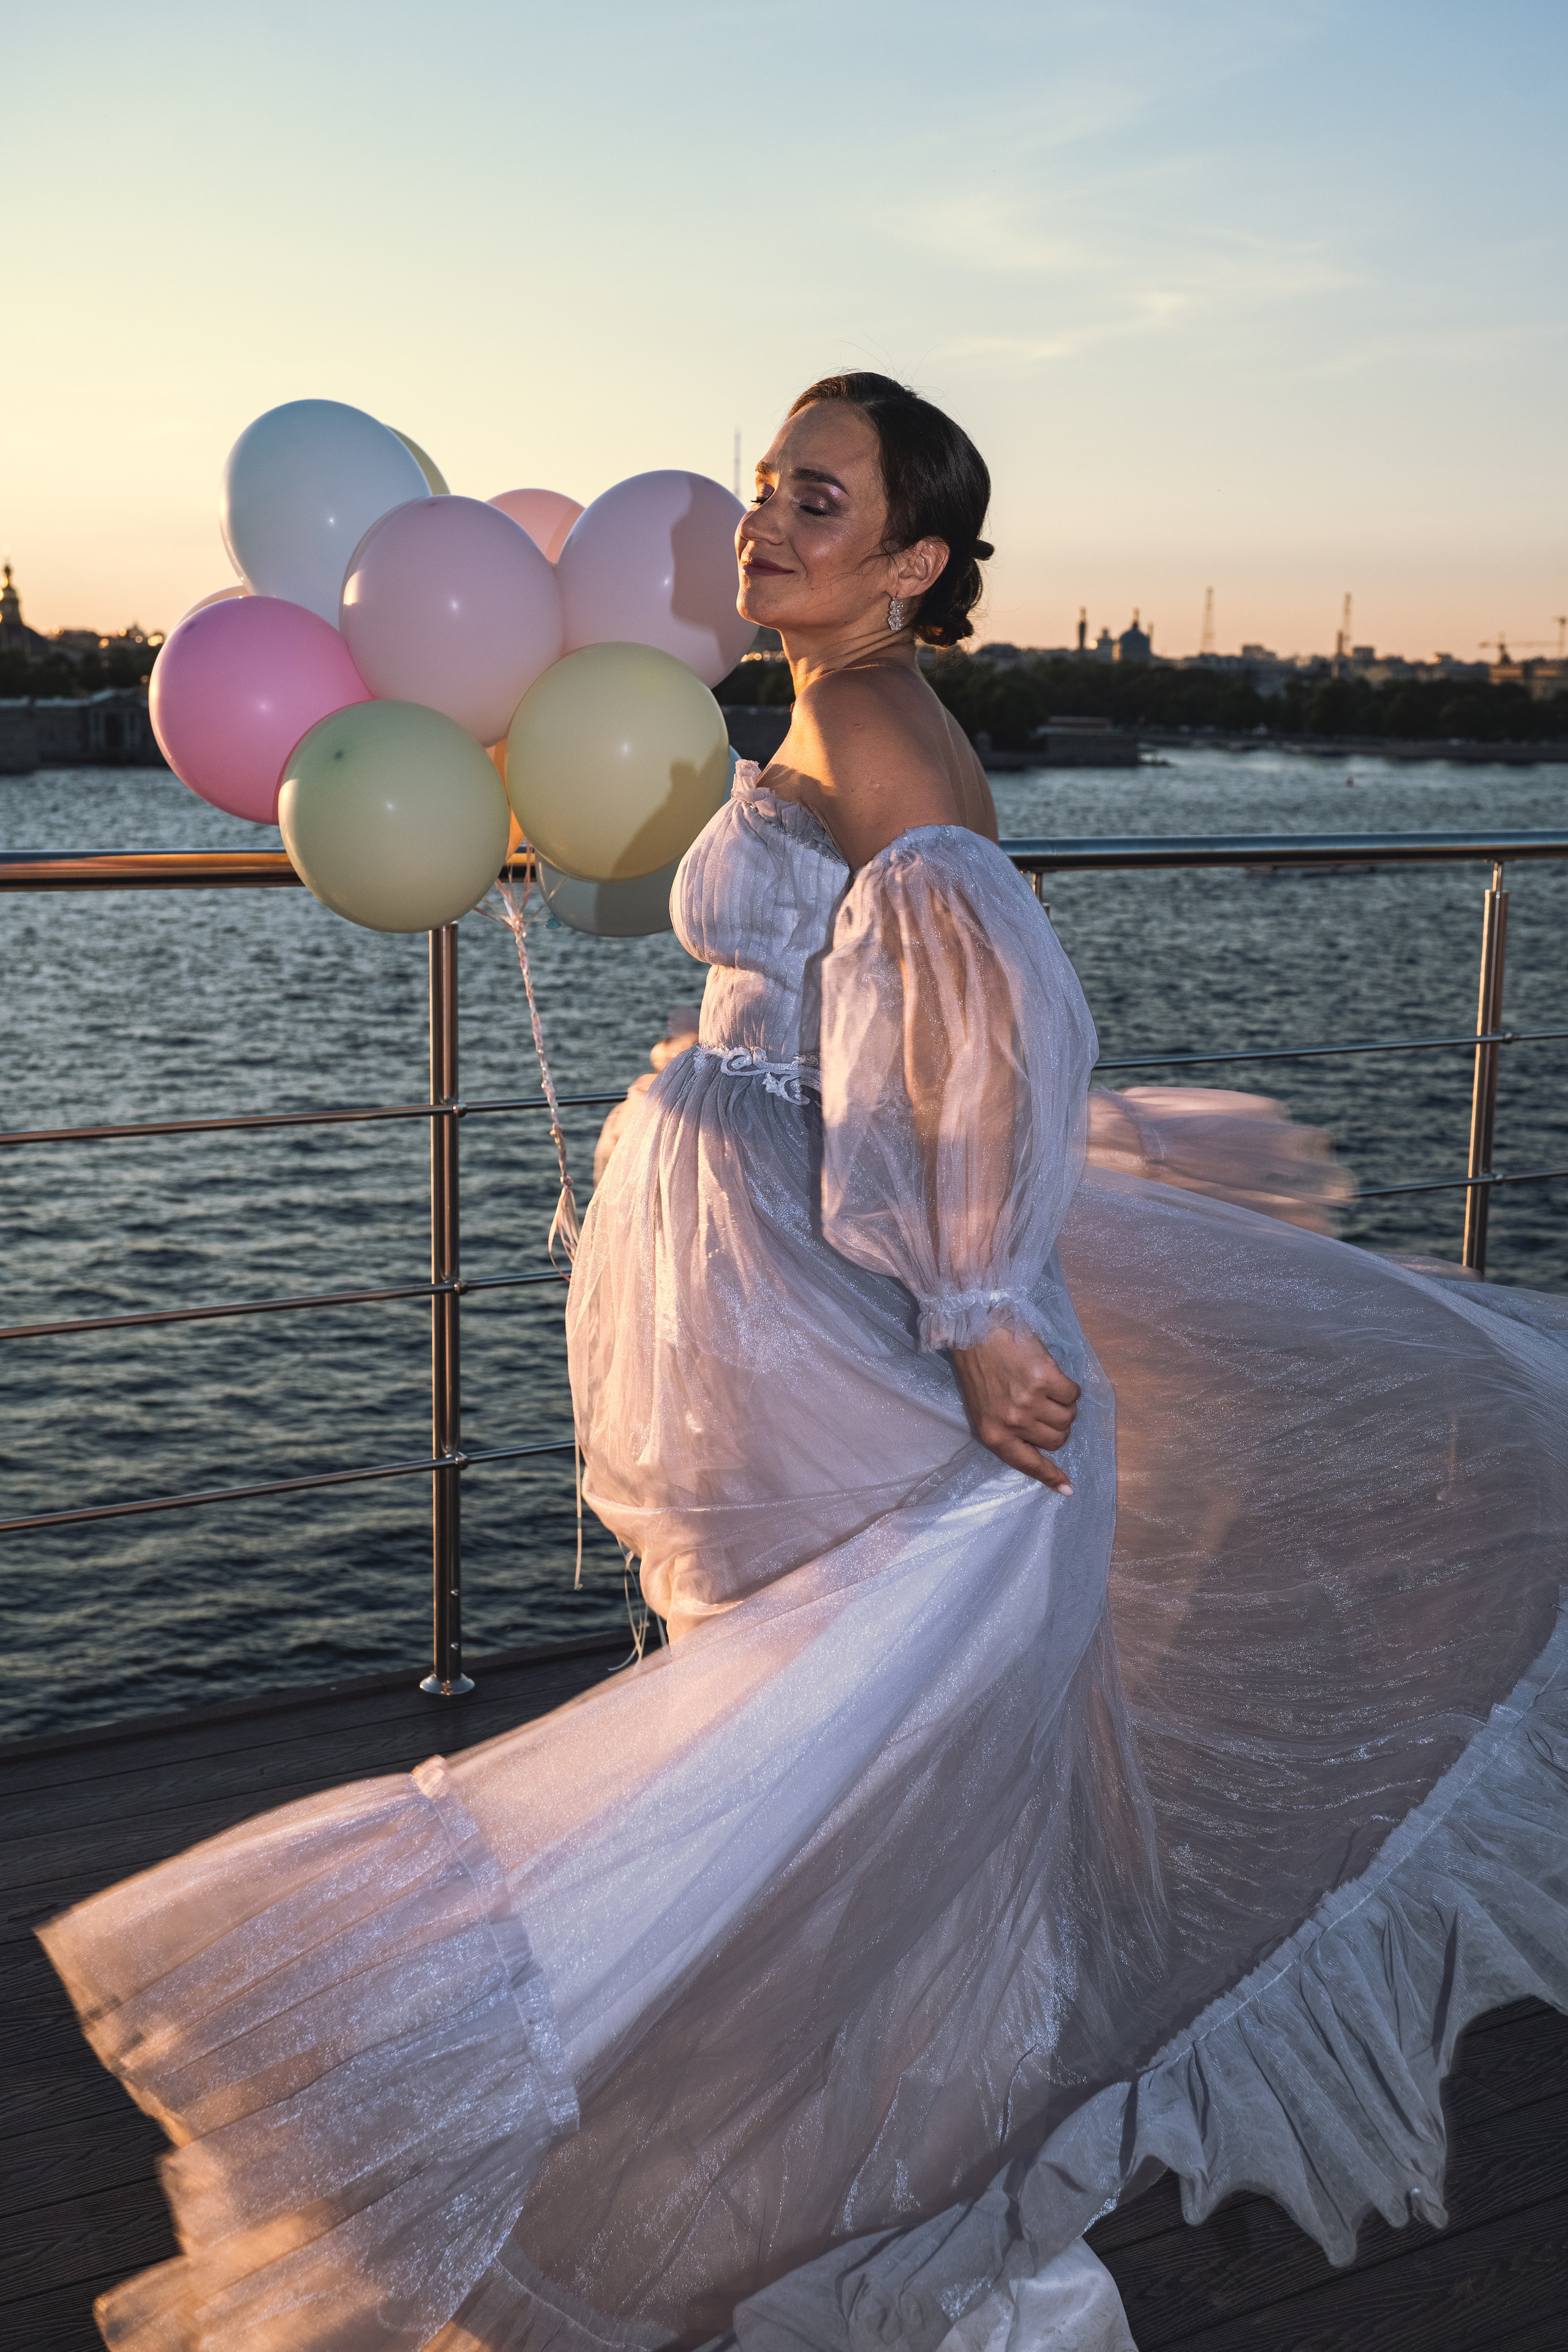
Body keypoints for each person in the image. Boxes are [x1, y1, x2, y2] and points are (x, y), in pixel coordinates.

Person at [42, 376, 1568, 2352]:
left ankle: (868, 2190)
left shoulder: (879, 734)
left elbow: (984, 1034)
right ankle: (831, 2157)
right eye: (769, 482)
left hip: (797, 1278)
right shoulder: (823, 709)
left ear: (914, 563)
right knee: (801, 1719)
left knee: (825, 1737)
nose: (764, 521)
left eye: (818, 499)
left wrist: (985, 1303)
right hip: (746, 1252)